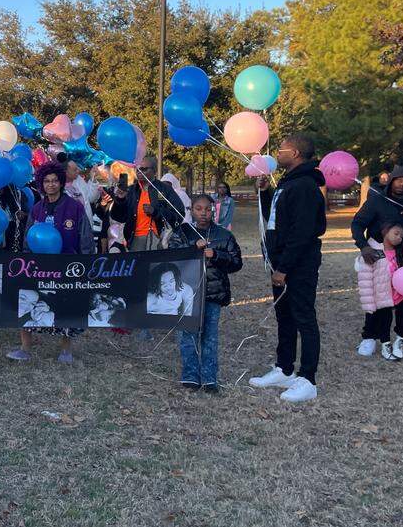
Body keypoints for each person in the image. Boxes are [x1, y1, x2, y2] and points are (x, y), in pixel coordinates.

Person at [250, 134, 326, 404]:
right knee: (284, 316)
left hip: (297, 265)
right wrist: (265, 192)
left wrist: (284, 267)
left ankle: (308, 379)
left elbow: (301, 232)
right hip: (280, 262)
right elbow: (277, 219)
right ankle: (284, 368)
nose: (276, 154)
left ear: (294, 153)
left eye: (280, 149)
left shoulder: (305, 185)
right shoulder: (289, 183)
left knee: (303, 317)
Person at [8, 162, 93, 364]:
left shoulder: (75, 207)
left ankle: (65, 351)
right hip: (39, 267)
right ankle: (25, 348)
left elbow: (85, 238)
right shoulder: (37, 209)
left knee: (67, 308)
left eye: (55, 181)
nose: (51, 185)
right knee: (28, 303)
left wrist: (86, 262)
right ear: (41, 183)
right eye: (47, 181)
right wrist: (27, 261)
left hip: (67, 265)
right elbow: (29, 237)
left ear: (61, 182)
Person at [168, 194, 243, 391]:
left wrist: (216, 255)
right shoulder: (182, 233)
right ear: (191, 210)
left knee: (209, 337)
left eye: (208, 209)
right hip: (188, 293)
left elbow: (236, 262)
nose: (203, 213)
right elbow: (171, 257)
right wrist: (192, 247)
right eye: (199, 209)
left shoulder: (224, 235)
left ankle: (210, 378)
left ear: (213, 211)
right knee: (188, 335)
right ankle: (191, 376)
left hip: (213, 293)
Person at [355, 220, 403, 361]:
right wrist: (370, 304)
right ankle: (385, 344)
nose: (399, 237)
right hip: (383, 296)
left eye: (401, 236)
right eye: (396, 233)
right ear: (385, 232)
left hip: (400, 295)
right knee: (384, 320)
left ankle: (400, 340)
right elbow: (365, 281)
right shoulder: (373, 253)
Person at [351, 166, 403, 264]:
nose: (402, 184)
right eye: (398, 180)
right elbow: (357, 224)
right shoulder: (376, 200)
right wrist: (364, 246)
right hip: (380, 257)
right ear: (391, 181)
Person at [110, 155, 184, 251]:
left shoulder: (164, 189)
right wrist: (120, 200)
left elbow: (179, 214)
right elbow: (119, 217)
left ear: (154, 171)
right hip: (135, 241)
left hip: (159, 241)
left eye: (144, 169)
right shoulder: (131, 190)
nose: (140, 172)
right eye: (138, 169)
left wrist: (155, 212)